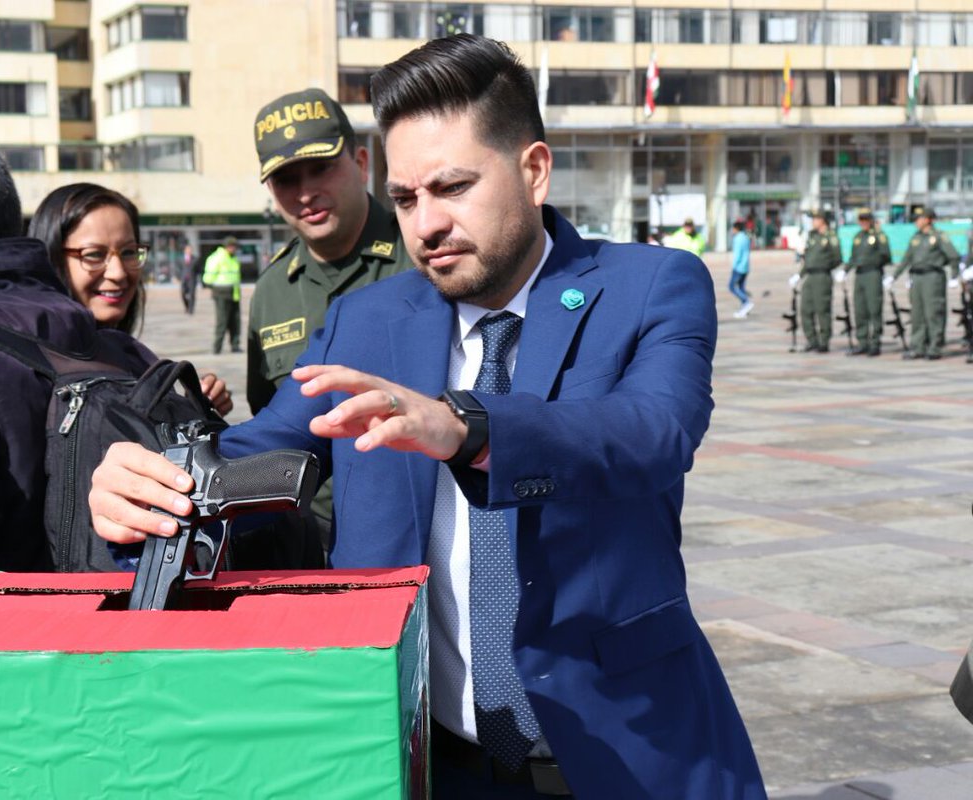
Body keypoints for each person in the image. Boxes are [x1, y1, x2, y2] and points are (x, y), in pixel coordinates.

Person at [90, 34, 764, 799]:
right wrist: (150, 490)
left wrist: (471, 429)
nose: (426, 225)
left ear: (533, 170)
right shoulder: (365, 323)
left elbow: (652, 433)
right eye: (407, 199)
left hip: (627, 747)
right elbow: (255, 451)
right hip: (423, 755)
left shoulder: (649, 286)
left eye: (452, 188)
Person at [248, 87, 414, 552]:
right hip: (312, 538)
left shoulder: (421, 256)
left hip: (416, 528)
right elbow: (269, 417)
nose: (305, 193)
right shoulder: (272, 289)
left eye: (321, 167)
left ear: (361, 162)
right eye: (285, 179)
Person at [28, 183, 231, 414]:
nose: (119, 272)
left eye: (128, 252)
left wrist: (193, 409)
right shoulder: (27, 372)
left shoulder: (136, 360)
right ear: (52, 258)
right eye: (94, 255)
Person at [887, 207, 962, 360]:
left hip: (932, 277)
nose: (916, 221)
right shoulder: (916, 237)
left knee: (933, 312)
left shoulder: (939, 236)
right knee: (917, 314)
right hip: (917, 277)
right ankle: (918, 346)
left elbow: (953, 256)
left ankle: (935, 347)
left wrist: (954, 276)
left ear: (928, 219)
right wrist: (894, 276)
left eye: (919, 218)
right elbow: (907, 259)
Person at [788, 210, 842, 353]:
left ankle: (824, 341)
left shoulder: (830, 236)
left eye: (815, 219)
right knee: (805, 309)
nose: (813, 222)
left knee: (822, 310)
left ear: (822, 220)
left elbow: (838, 258)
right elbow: (808, 259)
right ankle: (812, 340)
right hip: (810, 276)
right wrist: (799, 275)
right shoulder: (812, 236)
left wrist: (825, 266)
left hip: (822, 276)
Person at [842, 209, 892, 357]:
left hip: (873, 274)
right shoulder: (858, 237)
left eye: (866, 220)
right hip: (860, 274)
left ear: (871, 220)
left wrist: (873, 262)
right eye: (861, 220)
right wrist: (845, 270)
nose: (863, 223)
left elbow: (886, 256)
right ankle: (862, 342)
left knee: (874, 309)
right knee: (860, 309)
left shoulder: (879, 236)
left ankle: (875, 343)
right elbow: (853, 257)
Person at [203, 235, 241, 354]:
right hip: (221, 292)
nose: (234, 249)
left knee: (235, 321)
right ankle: (217, 347)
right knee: (222, 321)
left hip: (234, 292)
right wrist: (214, 286)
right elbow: (208, 278)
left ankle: (235, 345)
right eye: (232, 246)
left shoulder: (233, 258)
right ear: (227, 246)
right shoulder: (217, 258)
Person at [729, 220, 753, 318]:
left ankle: (747, 302)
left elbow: (737, 254)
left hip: (738, 267)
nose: (732, 231)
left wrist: (734, 266)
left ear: (736, 228)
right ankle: (744, 309)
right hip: (746, 266)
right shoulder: (746, 237)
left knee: (732, 287)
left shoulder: (737, 238)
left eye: (733, 229)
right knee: (741, 287)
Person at [179, 241, 197, 314]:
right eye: (187, 249)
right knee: (183, 294)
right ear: (185, 250)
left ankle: (191, 310)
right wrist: (177, 277)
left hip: (192, 279)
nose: (189, 251)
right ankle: (187, 306)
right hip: (184, 279)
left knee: (192, 294)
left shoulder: (195, 259)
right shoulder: (181, 259)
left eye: (190, 249)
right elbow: (178, 269)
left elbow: (198, 269)